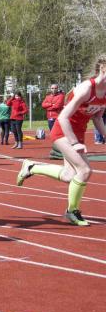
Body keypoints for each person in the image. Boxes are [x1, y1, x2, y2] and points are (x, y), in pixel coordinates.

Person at [17, 54, 106, 226]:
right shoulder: (87, 88)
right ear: (103, 68)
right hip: (63, 131)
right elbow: (63, 117)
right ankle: (72, 211)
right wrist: (74, 143)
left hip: (78, 132)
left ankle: (31, 167)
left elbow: (97, 117)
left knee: (69, 175)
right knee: (85, 170)